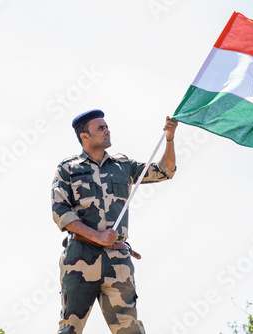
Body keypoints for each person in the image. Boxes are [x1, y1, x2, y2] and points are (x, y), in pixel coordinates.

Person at [51, 109, 177, 334]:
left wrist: (170, 138)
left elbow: (165, 171)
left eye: (107, 126)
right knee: (69, 329)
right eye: (101, 128)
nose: (107, 130)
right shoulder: (68, 168)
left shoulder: (123, 166)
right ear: (85, 137)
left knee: (130, 330)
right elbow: (60, 212)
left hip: (117, 261)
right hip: (80, 258)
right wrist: (97, 236)